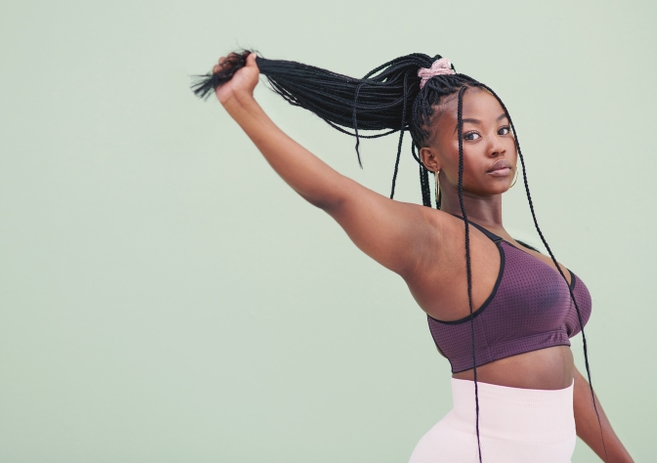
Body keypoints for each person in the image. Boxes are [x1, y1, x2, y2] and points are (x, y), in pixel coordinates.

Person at [194, 51, 633, 462]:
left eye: (503, 129)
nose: (497, 146)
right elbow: (336, 195)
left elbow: (562, 372)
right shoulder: (435, 240)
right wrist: (241, 103)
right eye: (472, 135)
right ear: (430, 157)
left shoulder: (520, 249)